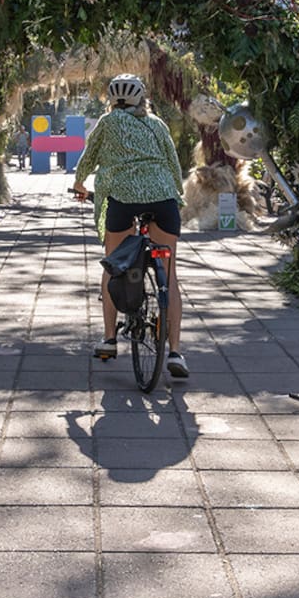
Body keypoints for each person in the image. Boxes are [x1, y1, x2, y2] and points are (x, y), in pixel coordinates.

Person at [72, 74, 189, 379]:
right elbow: (173, 163)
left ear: (111, 101)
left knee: (113, 265)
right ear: (142, 98)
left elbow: (89, 156)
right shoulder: (157, 124)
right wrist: (176, 195)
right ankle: (176, 352)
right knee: (170, 276)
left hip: (123, 199)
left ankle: (109, 339)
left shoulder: (108, 122)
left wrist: (79, 183)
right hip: (163, 199)